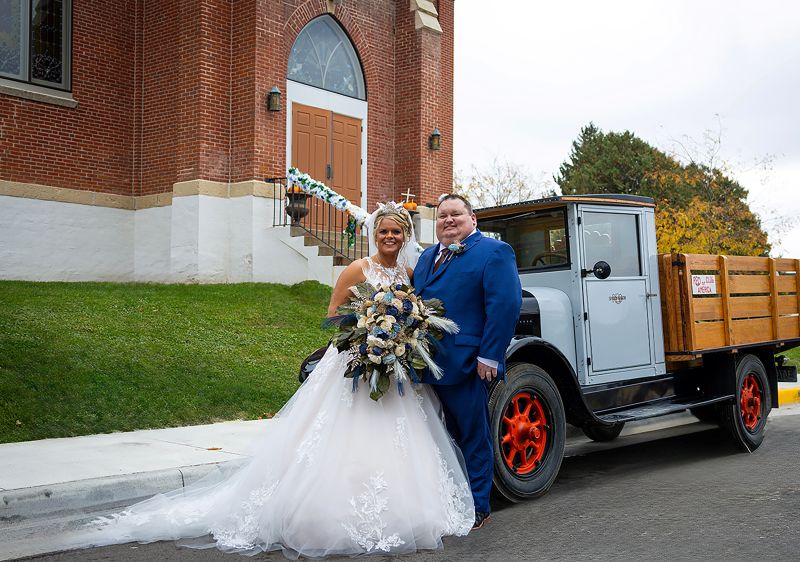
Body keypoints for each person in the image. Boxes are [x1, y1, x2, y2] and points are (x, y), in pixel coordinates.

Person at [65, 203, 474, 558]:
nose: (389, 236)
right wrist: (365, 327)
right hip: (355, 361)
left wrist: (398, 333)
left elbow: (418, 313)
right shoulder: (356, 269)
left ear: (405, 236)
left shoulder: (410, 270)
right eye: (383, 230)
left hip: (393, 368)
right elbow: (332, 314)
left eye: (396, 231)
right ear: (375, 234)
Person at [413, 194, 522, 530]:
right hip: (425, 362)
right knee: (439, 436)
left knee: (472, 435)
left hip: (467, 363)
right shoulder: (427, 256)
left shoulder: (493, 252)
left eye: (456, 214)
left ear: (472, 219)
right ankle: (446, 499)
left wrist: (489, 355)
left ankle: (478, 506)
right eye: (443, 215)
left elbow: (505, 305)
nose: (448, 220)